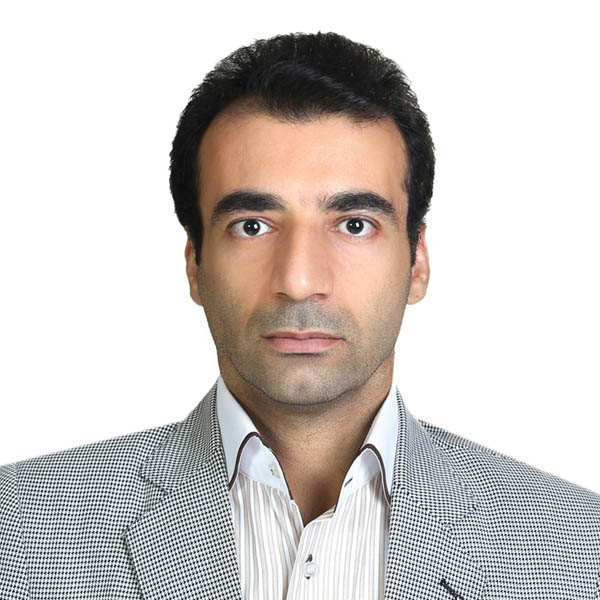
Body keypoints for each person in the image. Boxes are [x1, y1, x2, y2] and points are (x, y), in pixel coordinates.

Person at [1, 31, 598, 600]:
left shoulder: (576, 548)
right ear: (194, 264)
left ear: (417, 262)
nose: (299, 280)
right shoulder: (20, 533)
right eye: (252, 226)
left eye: (354, 225)